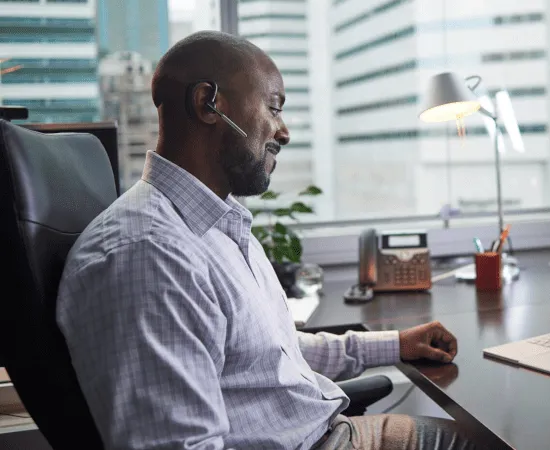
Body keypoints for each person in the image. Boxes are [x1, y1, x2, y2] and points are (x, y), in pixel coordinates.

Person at [56, 31, 480, 450]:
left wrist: (396, 344)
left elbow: (270, 353)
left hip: (325, 432)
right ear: (209, 103)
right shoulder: (149, 256)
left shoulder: (214, 227)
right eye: (274, 108)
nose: (284, 131)